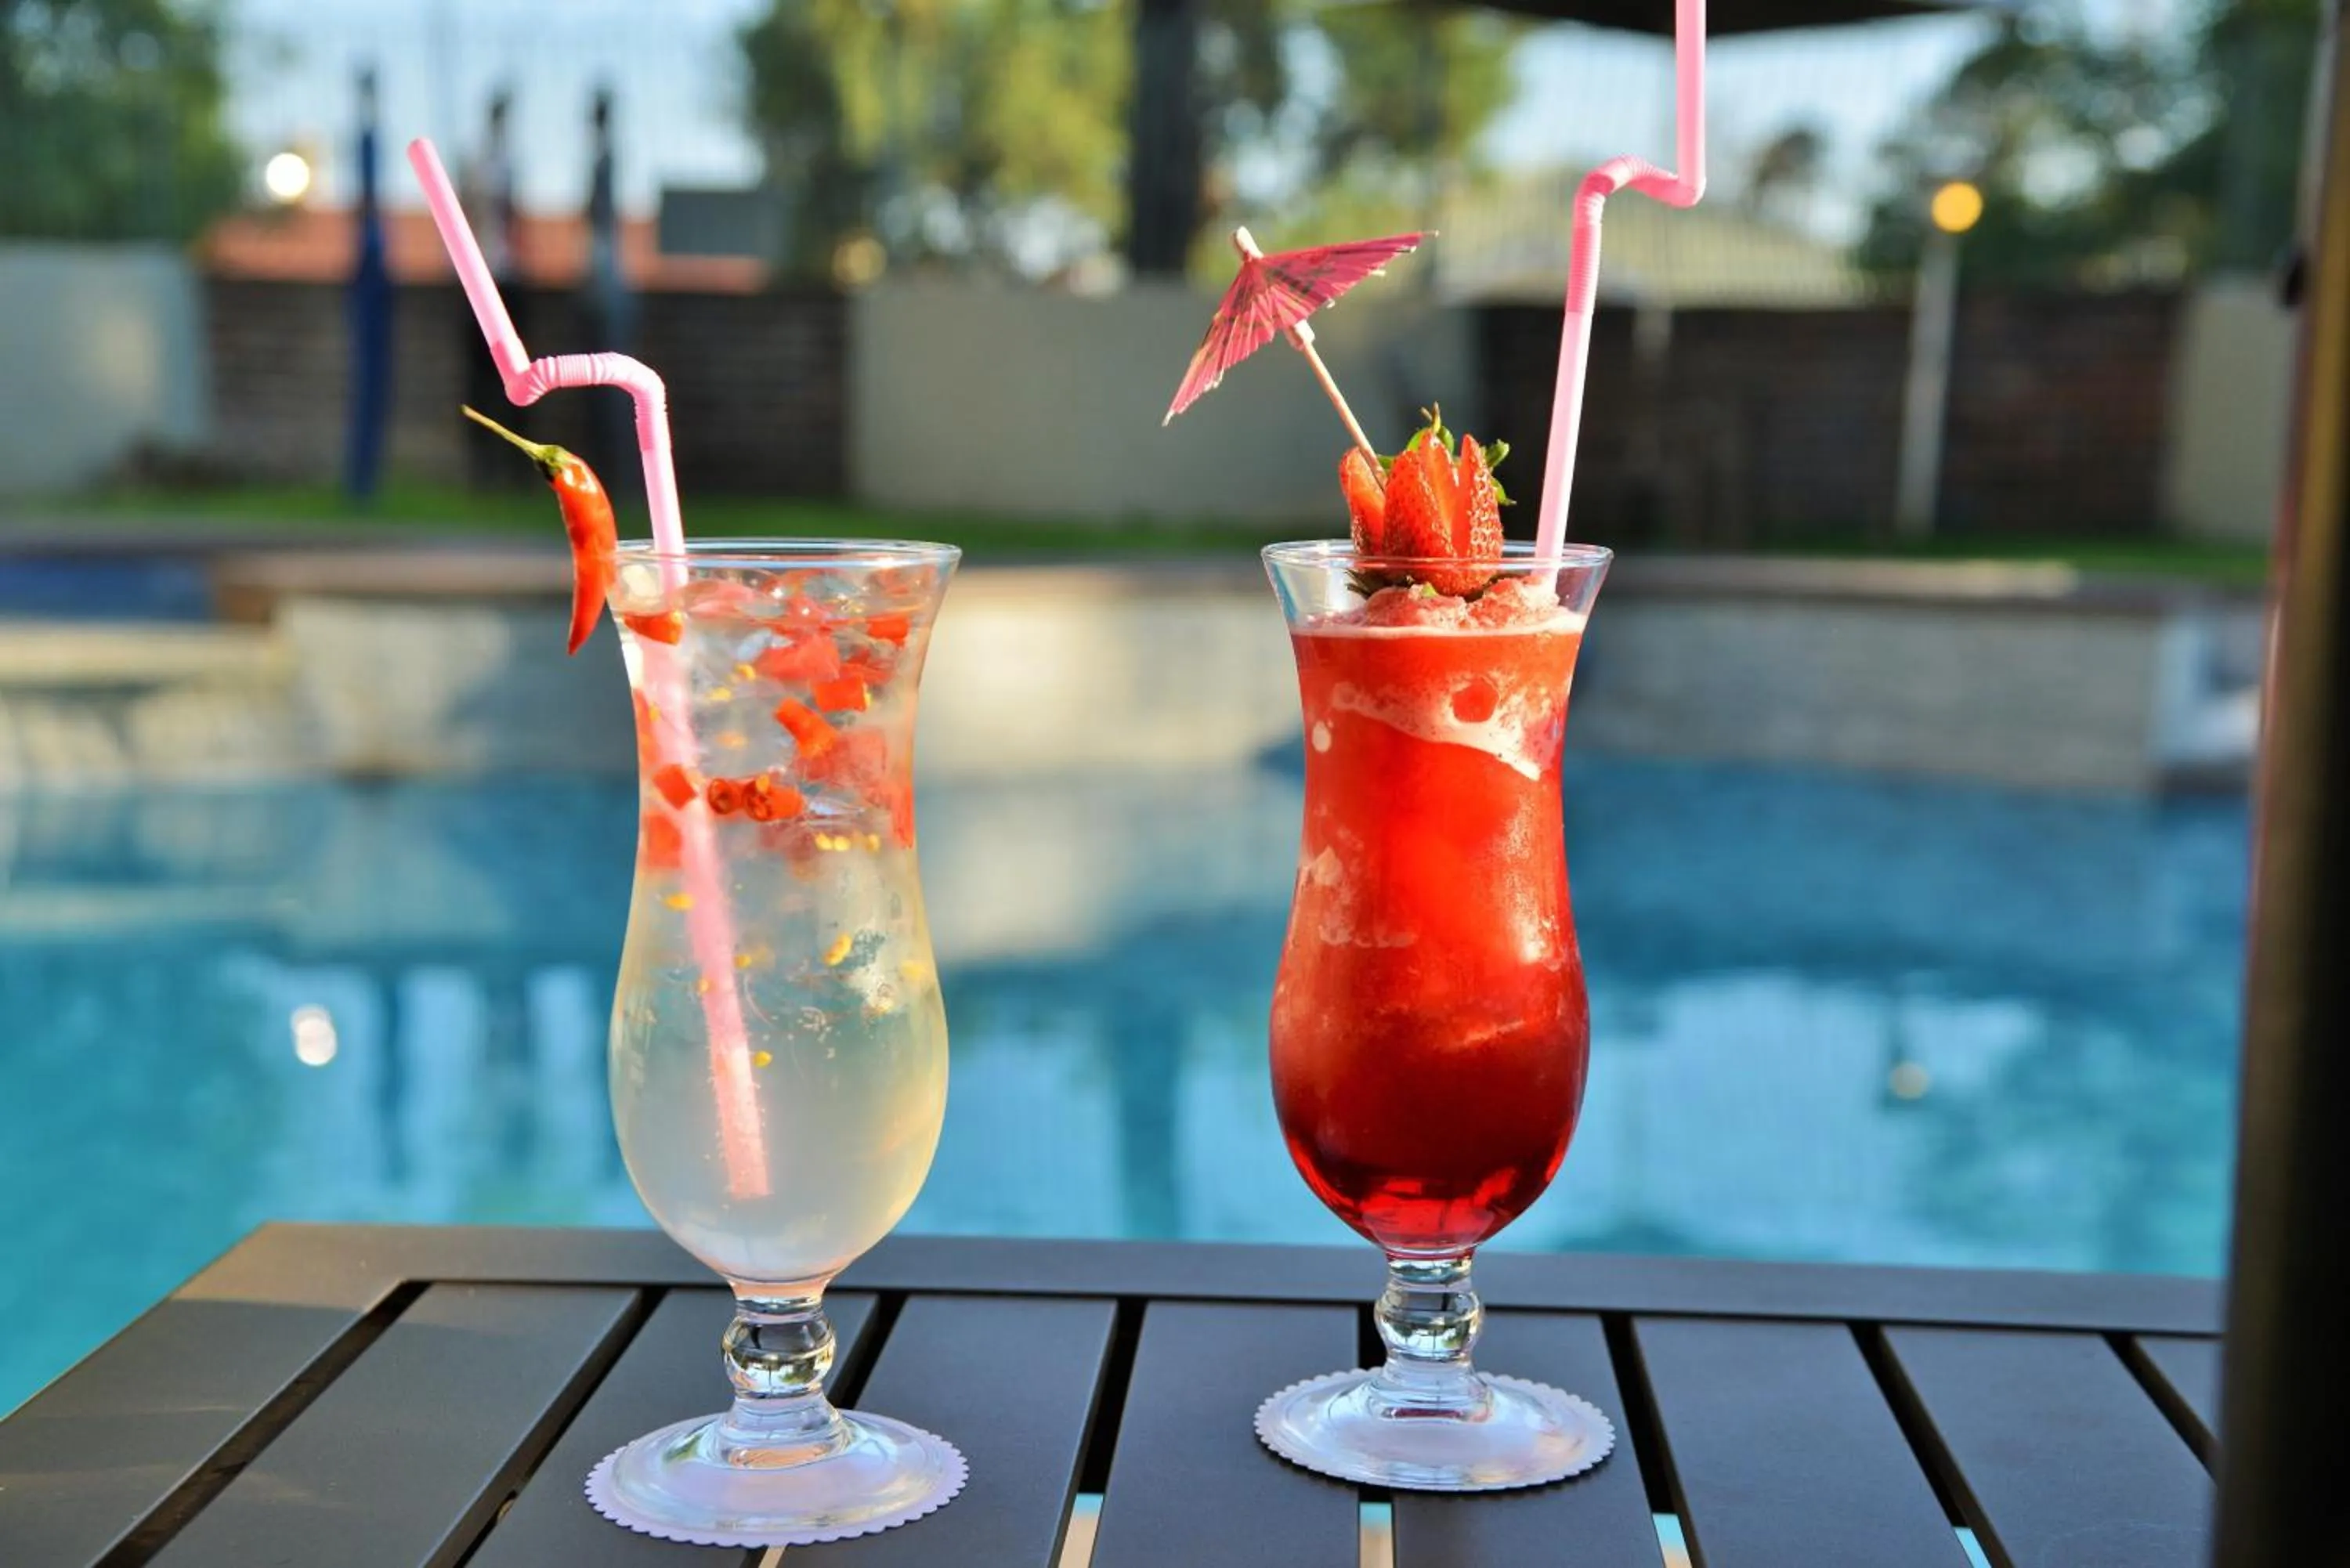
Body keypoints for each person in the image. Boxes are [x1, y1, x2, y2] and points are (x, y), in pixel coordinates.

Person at [459, 89, 526, 488]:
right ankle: (484, 465)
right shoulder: (480, 163)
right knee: (483, 376)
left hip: (507, 276)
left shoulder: (507, 162)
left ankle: (512, 465)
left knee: (515, 377)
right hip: (482, 277)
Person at [345, 66, 393, 503]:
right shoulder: (363, 147)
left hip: (377, 267)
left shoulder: (374, 145)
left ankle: (365, 481)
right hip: (369, 267)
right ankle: (359, 482)